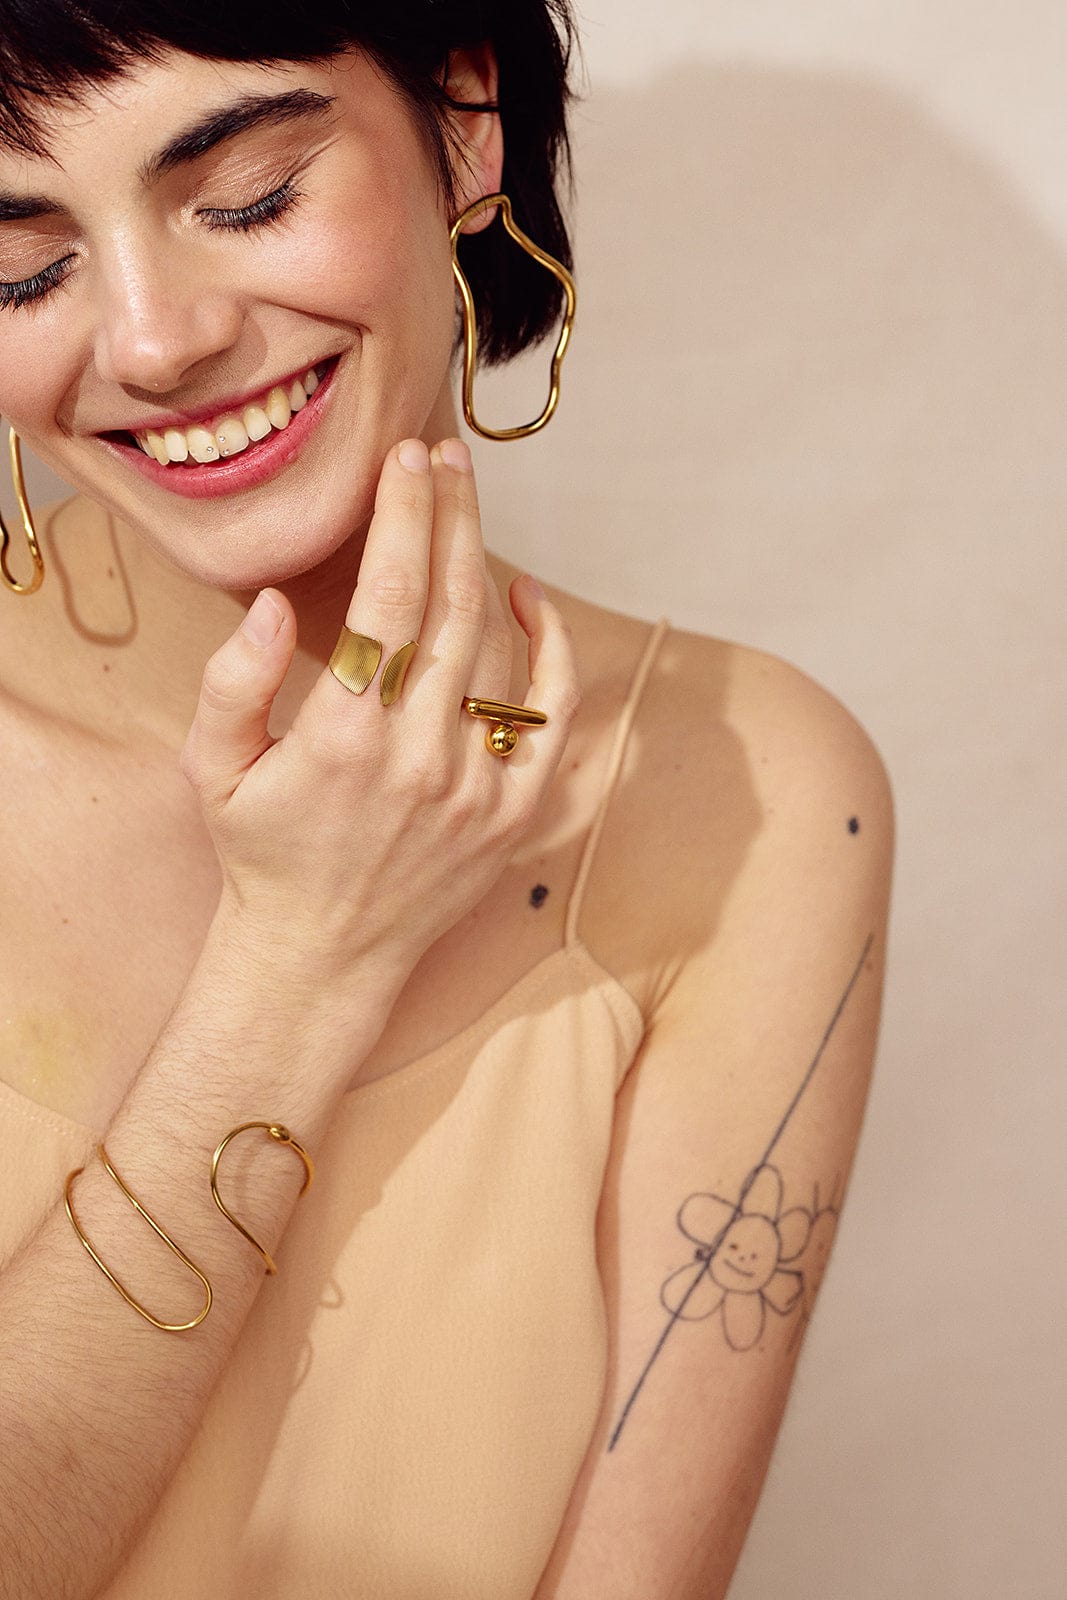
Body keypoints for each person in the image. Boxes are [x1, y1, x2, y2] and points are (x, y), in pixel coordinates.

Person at [0, 4, 894, 1598]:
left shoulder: (753, 792)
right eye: (21, 268)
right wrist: (301, 959)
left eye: (248, 196)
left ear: (466, 124)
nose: (149, 341)